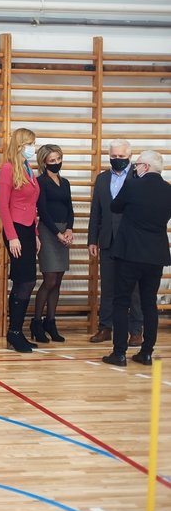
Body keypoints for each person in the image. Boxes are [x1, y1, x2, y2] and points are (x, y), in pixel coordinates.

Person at [102, 151, 171, 367]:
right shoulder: (169, 190)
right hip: (155, 254)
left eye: (138, 165)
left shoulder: (132, 186)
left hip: (129, 253)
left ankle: (119, 353)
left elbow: (115, 206)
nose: (135, 168)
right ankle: (147, 352)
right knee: (149, 302)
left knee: (121, 301)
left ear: (146, 167)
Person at [87, 139, 143, 345]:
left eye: (121, 157)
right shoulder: (102, 179)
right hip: (108, 240)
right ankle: (105, 327)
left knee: (134, 288)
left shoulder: (138, 178)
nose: (117, 160)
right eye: (113, 156)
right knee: (108, 287)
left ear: (129, 156)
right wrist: (92, 239)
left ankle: (136, 330)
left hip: (132, 242)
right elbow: (96, 212)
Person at [0, 128, 41, 353]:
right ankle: (14, 332)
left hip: (27, 229)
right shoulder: (7, 169)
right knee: (24, 281)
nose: (33, 148)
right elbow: (3, 207)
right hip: (15, 229)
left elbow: (32, 205)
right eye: (30, 144)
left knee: (28, 280)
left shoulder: (28, 168)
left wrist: (34, 235)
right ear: (20, 145)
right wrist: (12, 237)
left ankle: (17, 331)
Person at [29, 144, 71, 343]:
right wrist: (57, 234)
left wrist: (69, 229)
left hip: (63, 231)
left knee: (58, 280)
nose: (56, 163)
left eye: (58, 159)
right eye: (52, 160)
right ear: (44, 162)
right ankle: (36, 322)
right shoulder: (40, 182)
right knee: (50, 279)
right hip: (48, 231)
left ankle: (51, 321)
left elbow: (69, 207)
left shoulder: (65, 183)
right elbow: (43, 211)